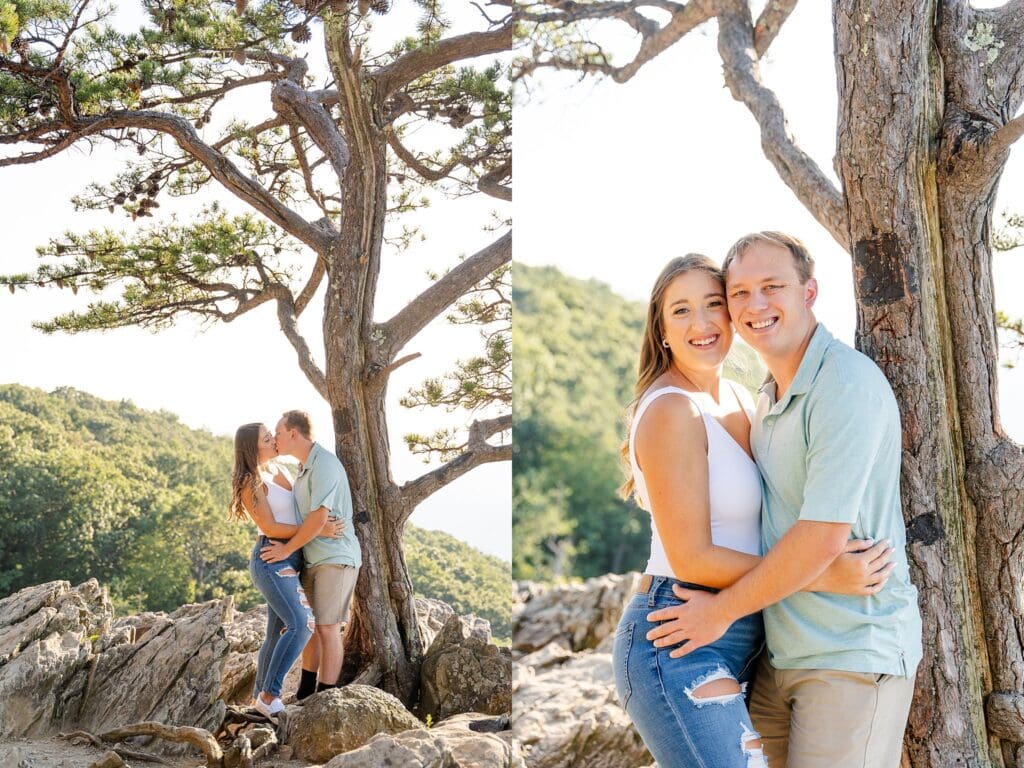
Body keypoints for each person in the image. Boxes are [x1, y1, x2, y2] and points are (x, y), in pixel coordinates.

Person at [645, 233, 923, 768]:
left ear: (809, 291)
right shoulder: (767, 398)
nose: (756, 305)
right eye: (741, 292)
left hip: (851, 651)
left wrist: (719, 613)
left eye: (772, 287)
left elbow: (822, 539)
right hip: (781, 652)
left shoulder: (842, 383)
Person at [228, 422, 343, 718]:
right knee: (303, 622)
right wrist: (318, 530)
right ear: (254, 448)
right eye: (267, 438)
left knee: (276, 633)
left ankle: (258, 700)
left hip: (292, 556)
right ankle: (270, 694)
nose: (273, 439)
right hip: (272, 556)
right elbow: (269, 526)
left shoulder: (282, 470)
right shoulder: (249, 481)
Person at [259, 410, 361, 699]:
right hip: (312, 558)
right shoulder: (302, 471)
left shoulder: (325, 464)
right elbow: (309, 522)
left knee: (328, 628)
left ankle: (326, 696)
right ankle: (305, 694)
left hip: (335, 558)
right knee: (312, 627)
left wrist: (286, 550)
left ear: (293, 433)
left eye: (278, 433)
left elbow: (318, 518)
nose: (275, 439)